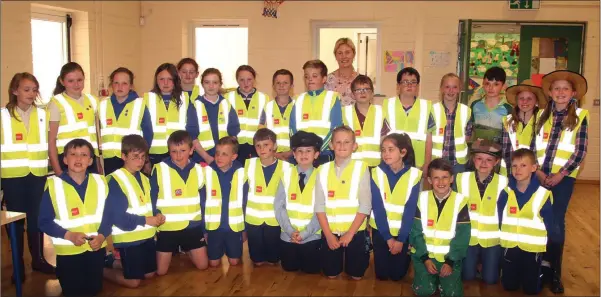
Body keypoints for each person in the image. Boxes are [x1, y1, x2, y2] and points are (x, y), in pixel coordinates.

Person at [535, 70, 589, 293]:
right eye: (556, 88)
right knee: (539, 221)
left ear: (573, 92)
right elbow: (532, 147)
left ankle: (554, 271)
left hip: (562, 180)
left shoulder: (580, 116)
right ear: (549, 92)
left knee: (556, 224)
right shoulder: (541, 116)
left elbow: (580, 151)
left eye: (565, 88)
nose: (560, 92)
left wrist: (560, 174)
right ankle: (539, 266)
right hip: (538, 177)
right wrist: (537, 172)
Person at [38, 139, 111, 297]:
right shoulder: (53, 185)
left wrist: (102, 235)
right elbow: (44, 222)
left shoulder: (101, 182)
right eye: (73, 154)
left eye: (84, 155)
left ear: (91, 160)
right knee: (74, 292)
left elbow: (109, 215)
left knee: (94, 290)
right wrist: (68, 235)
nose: (78, 159)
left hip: (95, 249)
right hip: (68, 254)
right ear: (64, 159)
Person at [1, 72, 55, 280]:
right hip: (12, 177)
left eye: (34, 89)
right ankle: (18, 265)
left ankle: (38, 259)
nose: (31, 93)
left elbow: (50, 143)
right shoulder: (3, 115)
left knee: (36, 219)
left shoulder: (43, 114)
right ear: (14, 91)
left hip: (37, 175)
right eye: (26, 89)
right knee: (15, 222)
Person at [102, 135, 164, 288]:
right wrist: (146, 220)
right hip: (128, 239)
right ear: (123, 156)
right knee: (134, 282)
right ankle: (100, 269)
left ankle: (116, 262)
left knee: (150, 274)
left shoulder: (144, 178)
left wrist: (158, 214)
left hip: (147, 236)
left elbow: (150, 205)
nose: (140, 161)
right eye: (135, 157)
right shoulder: (115, 180)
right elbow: (118, 218)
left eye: (143, 157)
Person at [315, 125, 371, 280]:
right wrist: (328, 235)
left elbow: (365, 206)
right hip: (330, 231)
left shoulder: (361, 168)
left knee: (356, 275)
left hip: (354, 231)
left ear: (354, 146)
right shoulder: (322, 170)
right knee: (331, 275)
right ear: (331, 145)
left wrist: (349, 234)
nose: (342, 146)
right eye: (338, 142)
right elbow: (319, 207)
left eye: (347, 142)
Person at [410, 158, 470, 297]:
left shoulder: (460, 201)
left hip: (450, 259)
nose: (441, 182)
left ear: (452, 179)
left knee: (452, 294)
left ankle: (443, 281)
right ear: (429, 180)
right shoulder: (421, 199)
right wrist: (425, 258)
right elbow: (415, 232)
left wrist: (450, 261)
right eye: (436, 178)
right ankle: (427, 279)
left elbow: (462, 236)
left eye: (445, 177)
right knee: (424, 291)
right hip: (423, 257)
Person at [498, 148, 555, 295]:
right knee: (509, 287)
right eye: (515, 165)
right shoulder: (506, 193)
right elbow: (499, 218)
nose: (518, 169)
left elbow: (549, 224)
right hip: (510, 247)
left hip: (532, 249)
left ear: (534, 168)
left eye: (523, 165)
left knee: (531, 290)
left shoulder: (543, 195)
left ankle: (544, 269)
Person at [151, 130, 208, 275]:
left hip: (192, 226)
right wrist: (155, 216)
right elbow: (152, 198)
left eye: (182, 150)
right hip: (167, 227)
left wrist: (204, 228)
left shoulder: (199, 170)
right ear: (168, 151)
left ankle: (186, 248)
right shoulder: (159, 169)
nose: (178, 155)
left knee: (203, 266)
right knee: (161, 272)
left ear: (191, 150)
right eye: (174, 151)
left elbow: (203, 201)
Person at [455, 139, 508, 285]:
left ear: (496, 161)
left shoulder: (504, 183)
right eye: (479, 158)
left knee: (490, 279)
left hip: (492, 240)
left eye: (489, 160)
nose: (483, 163)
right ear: (473, 159)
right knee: (467, 276)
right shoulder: (461, 179)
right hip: (468, 238)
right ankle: (474, 264)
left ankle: (484, 264)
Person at [369, 133, 421, 281]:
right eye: (383, 150)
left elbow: (410, 210)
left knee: (397, 276)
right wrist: (388, 238)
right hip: (380, 231)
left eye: (390, 149)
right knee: (382, 275)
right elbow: (377, 208)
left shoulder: (414, 175)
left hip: (402, 232)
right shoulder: (376, 172)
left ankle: (406, 256)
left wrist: (401, 239)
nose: (386, 154)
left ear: (403, 152)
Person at [274, 131, 323, 274]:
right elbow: (279, 206)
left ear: (316, 154)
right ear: (294, 154)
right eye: (299, 151)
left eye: (308, 151)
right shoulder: (286, 174)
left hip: (312, 235)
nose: (304, 154)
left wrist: (305, 234)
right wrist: (290, 231)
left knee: (311, 270)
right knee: (289, 267)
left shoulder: (321, 176)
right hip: (288, 235)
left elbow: (322, 210)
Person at [243, 128, 288, 266]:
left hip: (275, 220)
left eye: (266, 145)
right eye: (258, 146)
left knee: (274, 260)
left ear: (274, 146)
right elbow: (242, 194)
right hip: (253, 220)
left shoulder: (287, 168)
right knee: (257, 261)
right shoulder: (248, 165)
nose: (262, 149)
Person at [47, 62, 102, 175]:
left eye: (79, 80)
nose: (76, 84)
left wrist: (98, 164)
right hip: (68, 160)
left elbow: (95, 135)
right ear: (62, 82)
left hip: (89, 158)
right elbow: (51, 140)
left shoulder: (93, 100)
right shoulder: (56, 103)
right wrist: (58, 170)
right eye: (70, 81)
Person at [200, 136, 246, 267]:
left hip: (233, 227)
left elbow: (245, 203)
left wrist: (244, 230)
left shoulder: (242, 173)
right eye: (217, 153)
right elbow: (202, 202)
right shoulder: (206, 173)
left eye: (224, 154)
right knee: (213, 264)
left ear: (234, 156)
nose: (219, 157)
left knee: (234, 262)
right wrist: (204, 229)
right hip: (214, 227)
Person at [98, 67, 154, 175]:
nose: (120, 87)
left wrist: (144, 158)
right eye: (116, 83)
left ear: (131, 86)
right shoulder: (103, 105)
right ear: (111, 85)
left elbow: (148, 134)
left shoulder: (140, 104)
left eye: (124, 83)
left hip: (133, 159)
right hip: (110, 159)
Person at [289, 60, 343, 165]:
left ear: (324, 79)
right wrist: (301, 150)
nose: (310, 79)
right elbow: (292, 128)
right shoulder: (298, 99)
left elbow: (335, 129)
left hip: (323, 154)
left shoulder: (332, 98)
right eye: (306, 76)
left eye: (314, 76)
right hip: (302, 156)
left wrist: (316, 150)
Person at [383, 67, 435, 171]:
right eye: (405, 82)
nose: (409, 85)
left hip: (417, 164)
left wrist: (427, 163)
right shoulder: (387, 105)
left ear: (418, 86)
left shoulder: (427, 106)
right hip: (392, 163)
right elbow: (383, 135)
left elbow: (429, 138)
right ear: (398, 86)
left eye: (413, 82)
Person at [144, 63, 196, 166]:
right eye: (161, 79)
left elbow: (192, 128)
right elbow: (143, 129)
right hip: (154, 154)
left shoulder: (185, 98)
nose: (166, 83)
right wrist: (145, 157)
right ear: (156, 81)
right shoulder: (147, 99)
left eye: (170, 79)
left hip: (179, 153)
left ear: (176, 80)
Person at [190, 68, 240, 164]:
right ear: (202, 84)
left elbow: (233, 135)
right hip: (202, 158)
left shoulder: (226, 104)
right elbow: (192, 137)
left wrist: (229, 157)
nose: (211, 86)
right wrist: (207, 158)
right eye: (207, 82)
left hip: (225, 159)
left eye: (215, 82)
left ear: (220, 84)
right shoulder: (195, 105)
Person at [501, 79, 547, 176]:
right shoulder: (507, 121)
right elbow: (506, 150)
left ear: (536, 101)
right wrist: (514, 171)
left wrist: (534, 171)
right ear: (516, 100)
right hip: (511, 172)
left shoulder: (543, 121)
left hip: (534, 173)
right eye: (521, 98)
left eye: (529, 98)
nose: (525, 101)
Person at [226, 65, 271, 163]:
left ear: (254, 79)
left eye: (249, 79)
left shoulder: (264, 98)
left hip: (256, 146)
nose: (246, 83)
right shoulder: (227, 98)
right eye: (242, 80)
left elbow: (266, 123)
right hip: (234, 146)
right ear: (237, 80)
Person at [343, 75, 389, 167]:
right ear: (352, 94)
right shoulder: (344, 112)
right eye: (358, 90)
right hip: (351, 165)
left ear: (372, 93)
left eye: (366, 89)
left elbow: (385, 140)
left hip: (376, 165)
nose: (363, 92)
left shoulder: (380, 112)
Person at [432, 73, 473, 174]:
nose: (451, 91)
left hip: (458, 163)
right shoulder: (432, 110)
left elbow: (468, 136)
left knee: (457, 189)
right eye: (447, 87)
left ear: (459, 89)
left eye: (455, 87)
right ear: (441, 89)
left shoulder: (466, 111)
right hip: (437, 162)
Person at [469, 66, 513, 146]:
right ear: (483, 84)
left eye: (496, 84)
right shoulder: (475, 105)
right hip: (478, 152)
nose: (491, 88)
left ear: (503, 86)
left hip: (498, 153)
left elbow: (510, 136)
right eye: (487, 83)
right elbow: (469, 131)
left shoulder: (508, 109)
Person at [259, 69, 295, 161]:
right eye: (278, 83)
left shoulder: (298, 106)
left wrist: (292, 152)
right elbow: (262, 134)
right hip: (272, 156)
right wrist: (274, 154)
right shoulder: (267, 107)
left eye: (285, 83)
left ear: (292, 86)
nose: (281, 85)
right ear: (273, 86)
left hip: (294, 156)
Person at [325, 37, 359, 106]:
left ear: (354, 54)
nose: (344, 56)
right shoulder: (327, 81)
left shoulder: (361, 80)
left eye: (347, 52)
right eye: (340, 53)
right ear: (335, 56)